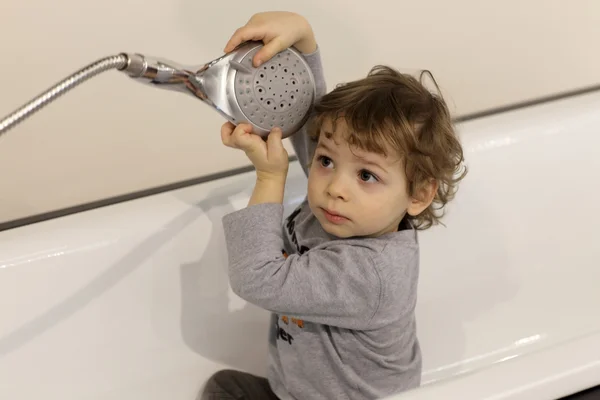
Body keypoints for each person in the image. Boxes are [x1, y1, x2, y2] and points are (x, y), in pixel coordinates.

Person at [200, 11, 467, 400]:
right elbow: (317, 127)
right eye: (326, 162)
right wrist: (304, 41)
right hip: (297, 388)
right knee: (224, 388)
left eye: (367, 176)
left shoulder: (371, 273)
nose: (335, 187)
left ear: (418, 195)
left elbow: (255, 277)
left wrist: (269, 178)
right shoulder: (348, 208)